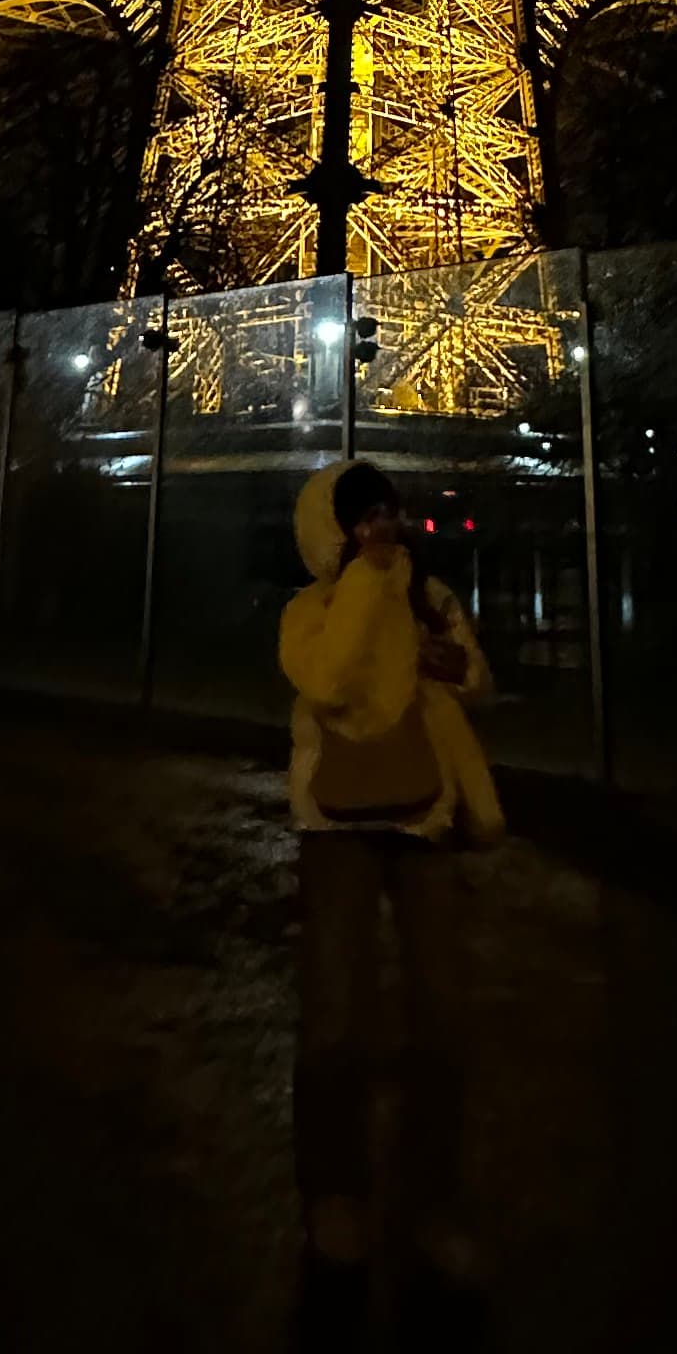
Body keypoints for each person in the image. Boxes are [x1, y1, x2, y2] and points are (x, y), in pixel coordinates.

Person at [279, 457, 502, 1284]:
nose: (381, 523)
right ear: (332, 529)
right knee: (336, 1016)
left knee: (440, 1016)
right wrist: (366, 582)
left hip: (424, 814)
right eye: (360, 513)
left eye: (387, 510)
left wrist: (454, 663)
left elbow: (475, 677)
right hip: (335, 821)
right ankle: (332, 1192)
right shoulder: (310, 609)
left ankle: (433, 1201)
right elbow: (332, 680)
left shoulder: (429, 597)